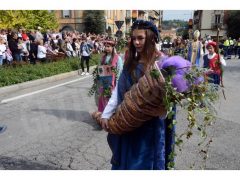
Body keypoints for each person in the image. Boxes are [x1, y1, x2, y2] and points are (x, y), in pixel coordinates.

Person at [97, 20, 176, 170]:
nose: (136, 42)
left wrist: (164, 111)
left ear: (151, 38)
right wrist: (106, 115)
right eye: (134, 39)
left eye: (140, 38)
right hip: (130, 124)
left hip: (151, 126)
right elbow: (118, 92)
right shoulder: (130, 63)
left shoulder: (162, 63)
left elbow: (172, 96)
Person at [93, 37, 123, 113]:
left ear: (113, 47)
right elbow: (100, 70)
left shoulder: (117, 58)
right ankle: (105, 114)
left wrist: (117, 83)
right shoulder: (103, 58)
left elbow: (119, 71)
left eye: (108, 46)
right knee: (104, 99)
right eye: (105, 46)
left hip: (113, 84)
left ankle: (112, 115)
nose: (106, 48)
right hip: (104, 83)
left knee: (112, 100)